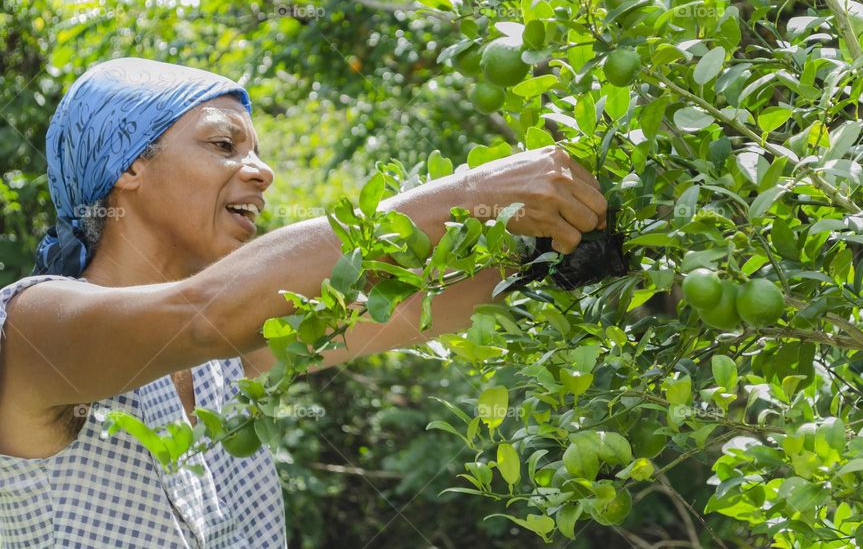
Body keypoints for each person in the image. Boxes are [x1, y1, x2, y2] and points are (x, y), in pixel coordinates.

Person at [0, 57, 608, 547]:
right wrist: (473, 191)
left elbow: (425, 306)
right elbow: (202, 317)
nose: (261, 172)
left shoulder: (235, 357)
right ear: (129, 164)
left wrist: (573, 238)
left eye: (256, 152)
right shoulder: (32, 329)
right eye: (222, 144)